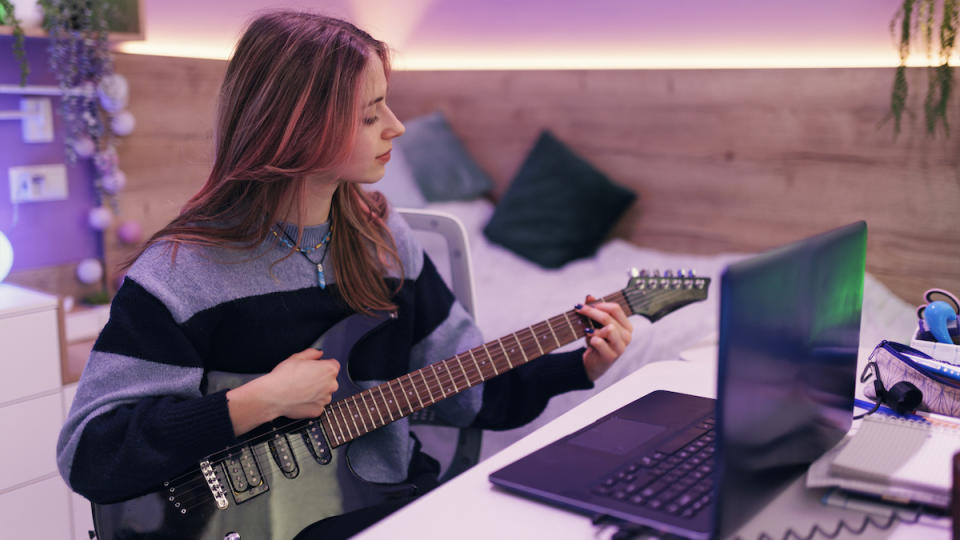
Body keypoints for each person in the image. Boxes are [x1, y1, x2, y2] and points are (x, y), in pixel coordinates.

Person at [56, 10, 633, 539]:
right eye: (369, 114)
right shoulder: (183, 274)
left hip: (389, 506)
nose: (397, 127)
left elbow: (466, 393)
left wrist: (578, 367)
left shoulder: (383, 239)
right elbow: (93, 452)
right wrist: (257, 401)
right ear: (295, 127)